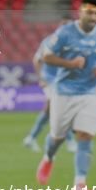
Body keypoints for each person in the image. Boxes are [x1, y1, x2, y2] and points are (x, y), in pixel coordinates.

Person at [35, 0, 96, 190]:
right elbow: (46, 57)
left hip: (89, 93)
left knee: (85, 135)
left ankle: (79, 184)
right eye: (89, 12)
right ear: (80, 11)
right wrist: (70, 64)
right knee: (57, 138)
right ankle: (48, 158)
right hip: (63, 92)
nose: (93, 17)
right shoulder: (64, 33)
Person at [23, 15, 77, 153]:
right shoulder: (50, 41)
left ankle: (30, 138)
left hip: (64, 80)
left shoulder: (73, 42)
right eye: (64, 25)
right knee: (61, 108)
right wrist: (41, 78)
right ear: (59, 26)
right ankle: (70, 141)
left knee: (49, 111)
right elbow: (37, 60)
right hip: (50, 80)